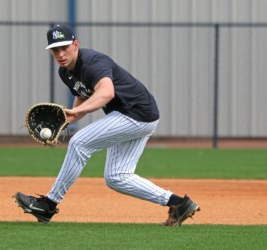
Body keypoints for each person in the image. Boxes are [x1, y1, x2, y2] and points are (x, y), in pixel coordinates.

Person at [14, 24, 200, 226]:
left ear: (76, 45)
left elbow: (106, 92)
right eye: (55, 50)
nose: (60, 54)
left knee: (79, 143)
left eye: (64, 47)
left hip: (136, 112)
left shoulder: (93, 62)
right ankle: (179, 204)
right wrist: (69, 119)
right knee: (116, 177)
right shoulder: (65, 72)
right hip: (138, 115)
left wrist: (76, 112)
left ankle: (48, 205)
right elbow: (82, 95)